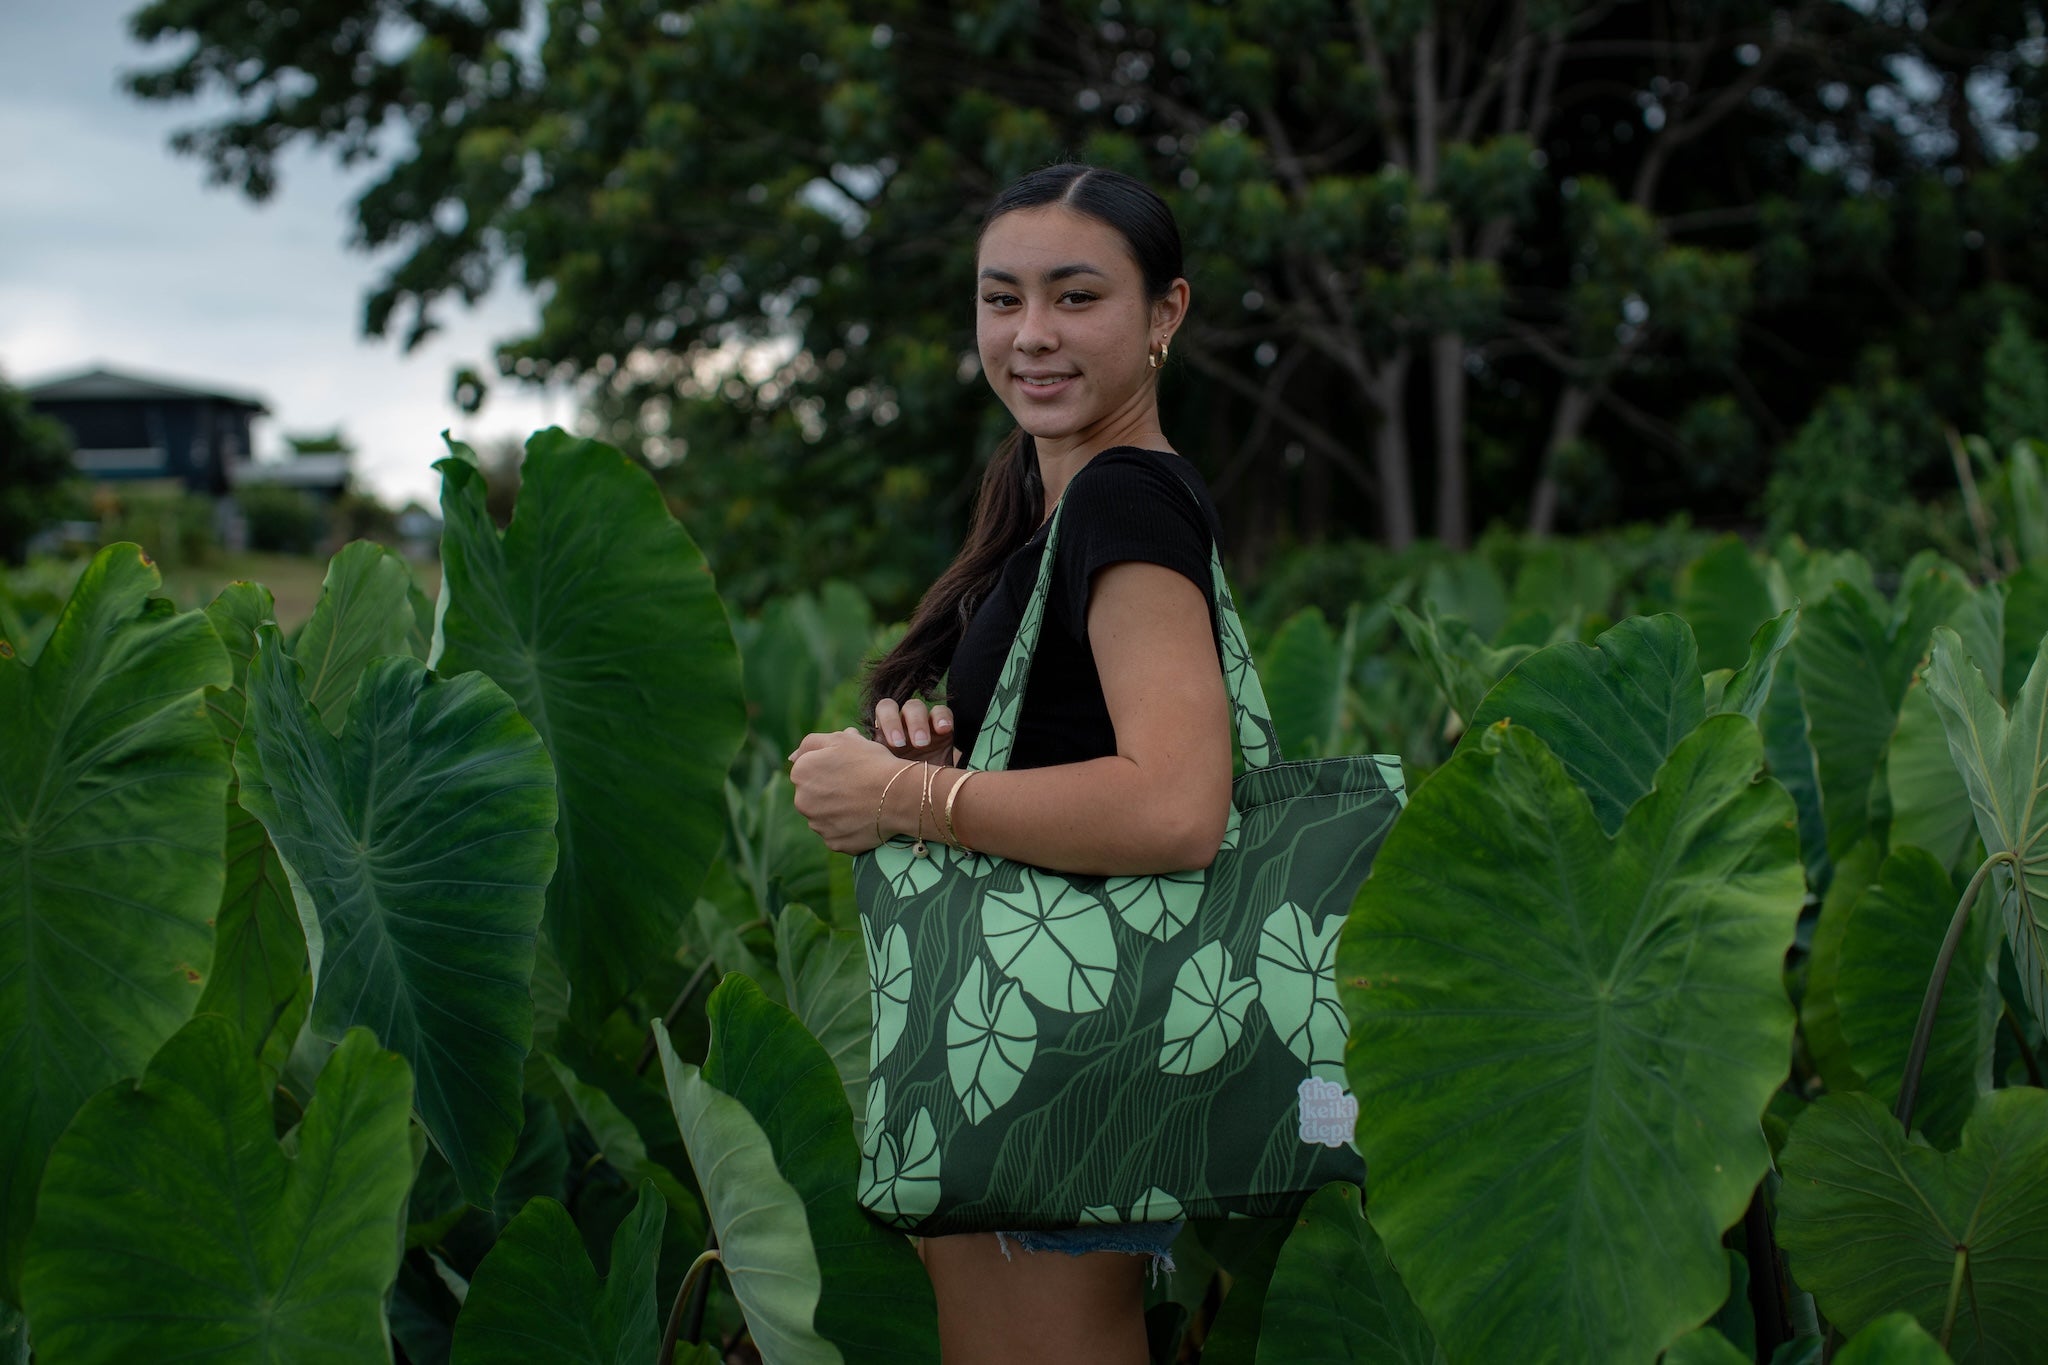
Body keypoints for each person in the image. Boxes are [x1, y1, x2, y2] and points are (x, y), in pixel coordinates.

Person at [787, 163, 1233, 1365]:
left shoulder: (1125, 501)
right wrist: (943, 758)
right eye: (1001, 299)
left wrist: (903, 797)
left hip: (1067, 1049)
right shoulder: (1045, 505)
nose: (1030, 334)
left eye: (1075, 296)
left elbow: (1176, 803)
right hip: (1020, 1033)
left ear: (1164, 315)